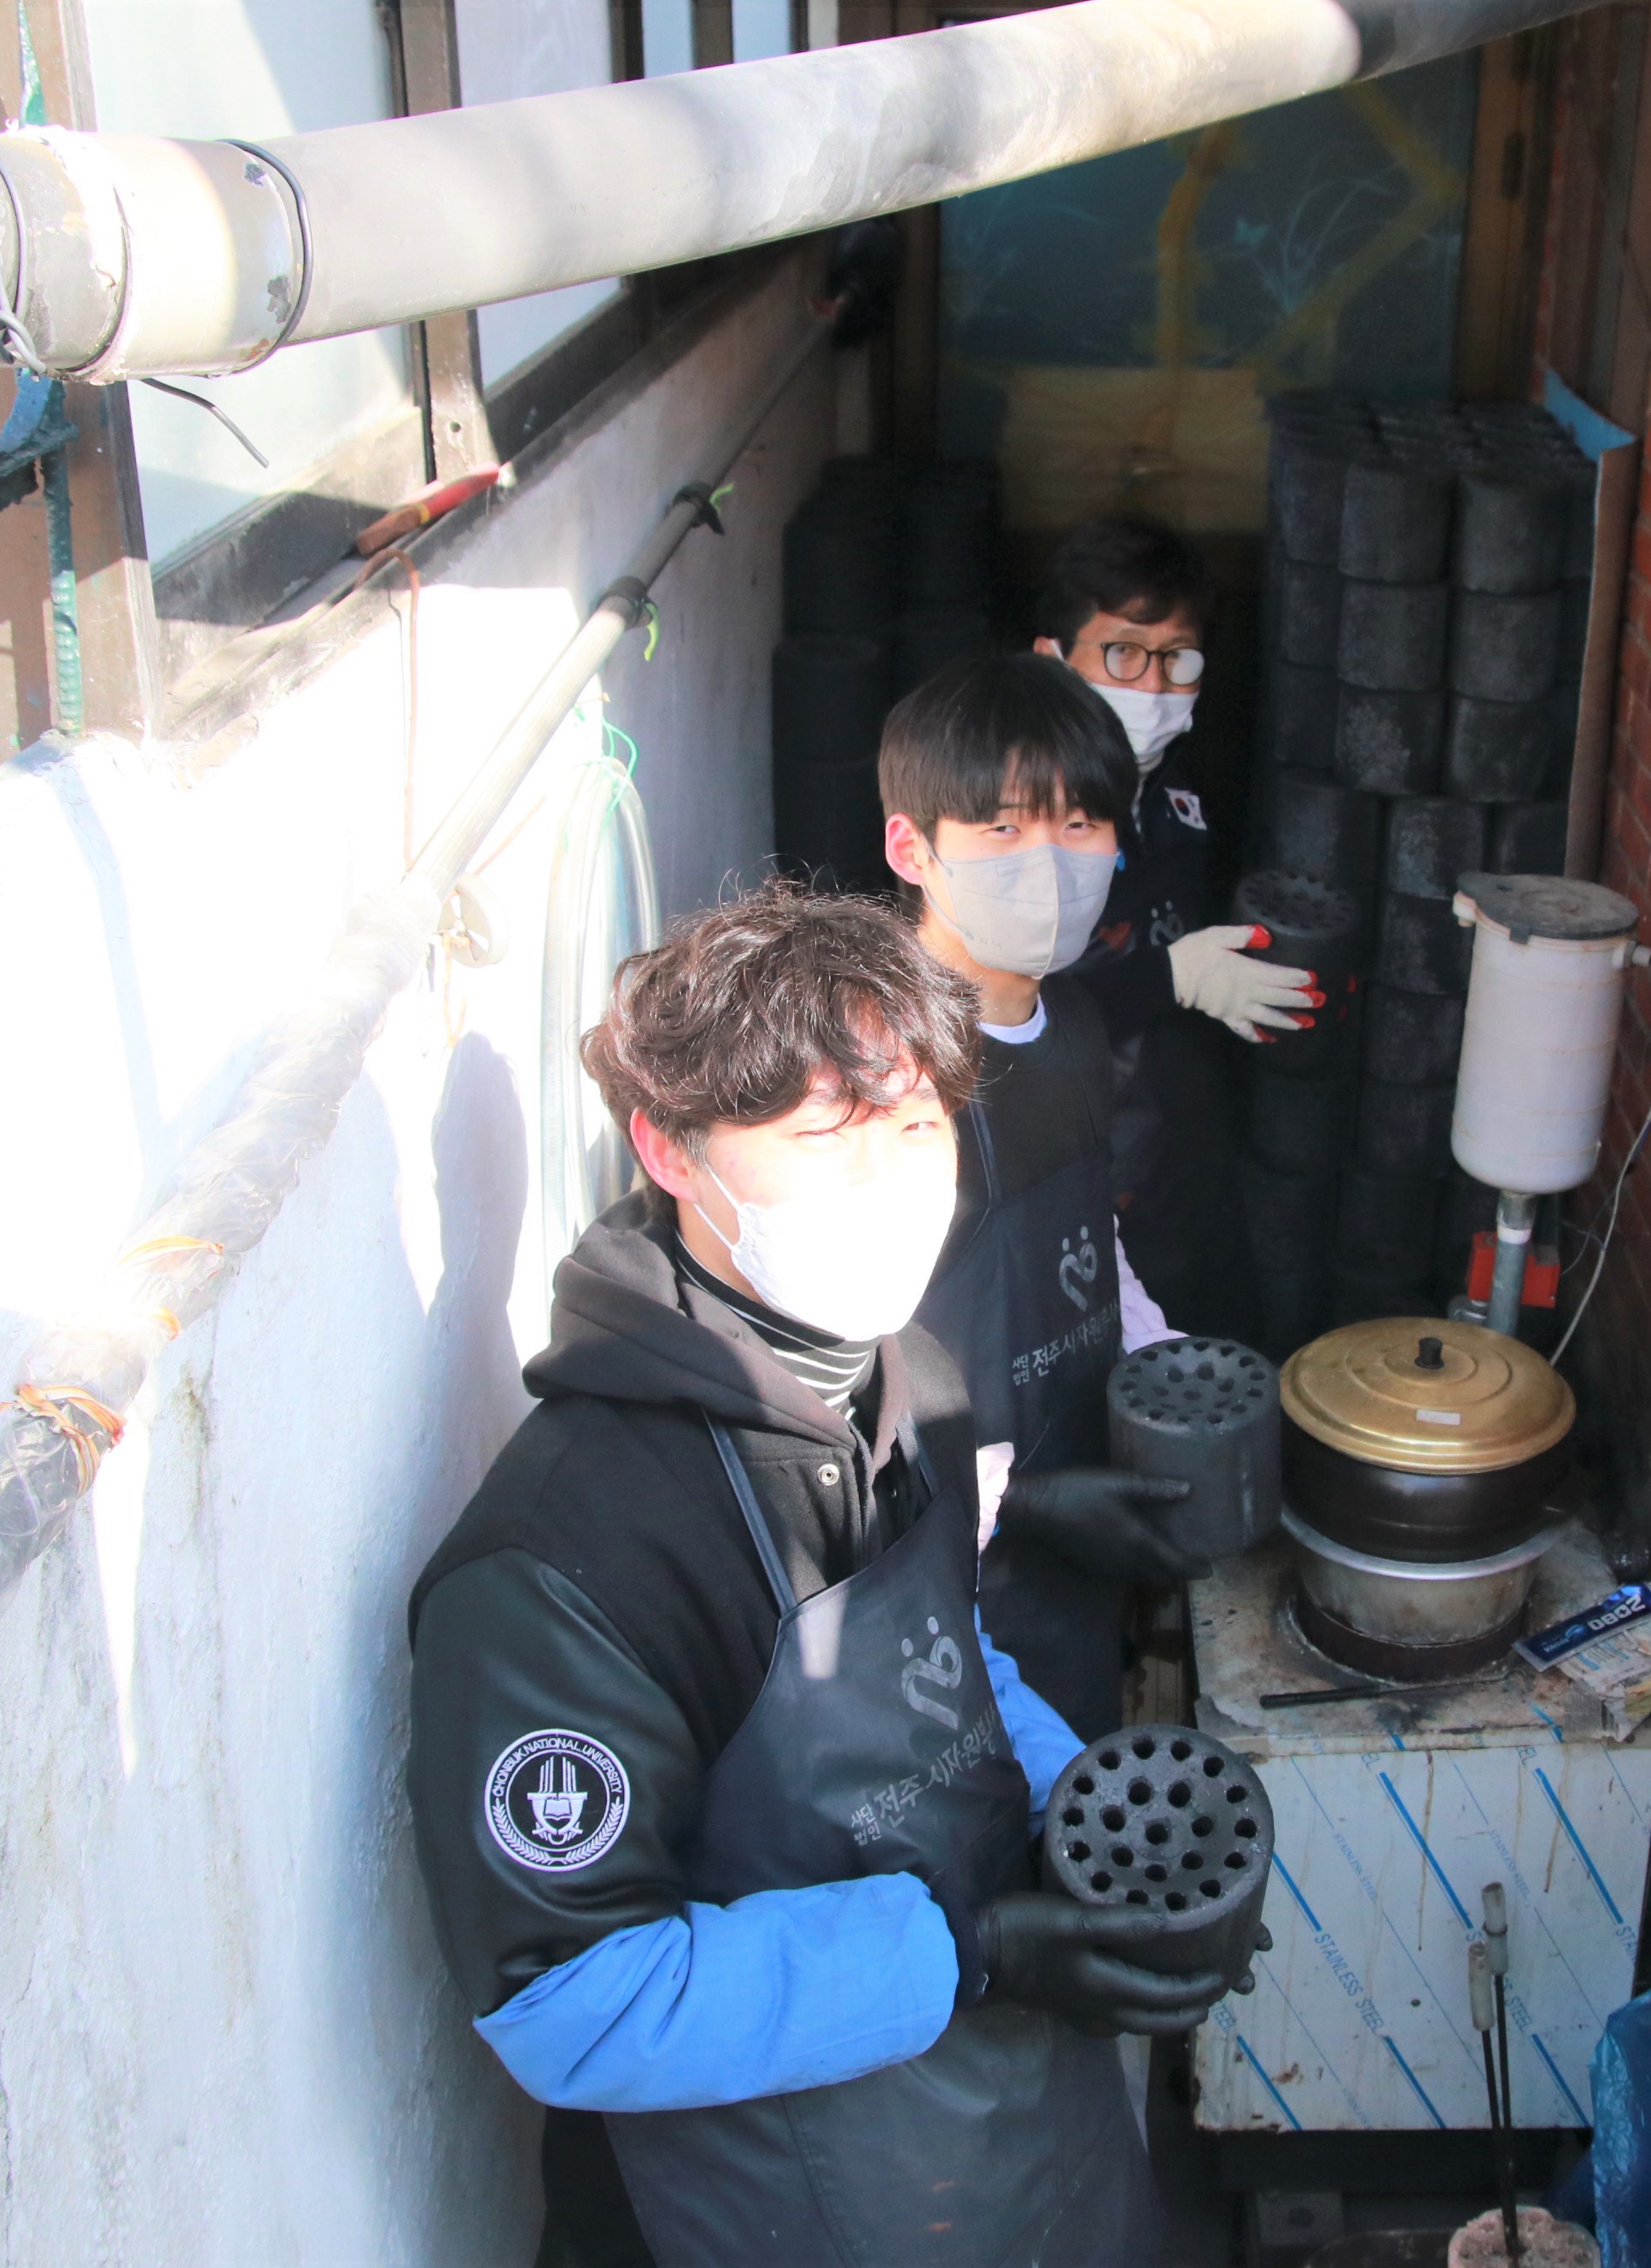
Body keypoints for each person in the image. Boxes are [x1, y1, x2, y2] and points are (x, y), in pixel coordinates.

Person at [405, 883, 1246, 2268]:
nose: (889, 1190)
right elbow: (572, 2000)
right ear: (670, 1149)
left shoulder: (914, 1381)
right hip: (764, 2205)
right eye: (821, 1139)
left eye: (914, 1130)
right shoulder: (569, 1556)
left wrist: (1081, 1823)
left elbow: (953, 1651)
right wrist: (971, 1953)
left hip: (1009, 2146)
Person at [882, 652, 1208, 1740]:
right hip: (937, 1589)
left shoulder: (1071, 1022)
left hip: (1075, 1539)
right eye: (1003, 829)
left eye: (1080, 825)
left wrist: (1161, 1361)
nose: (1051, 862)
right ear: (912, 848)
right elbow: (828, 1375)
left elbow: (1084, 1232)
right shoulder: (879, 1072)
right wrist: (1015, 1504)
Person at [1033, 514, 1313, 1340]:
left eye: (1177, 658)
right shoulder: (1016, 818)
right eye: (1122, 653)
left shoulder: (1173, 787)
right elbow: (1004, 1014)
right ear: (1053, 660)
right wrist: (1172, 978)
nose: (1152, 687)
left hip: (1181, 1150)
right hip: (1077, 1172)